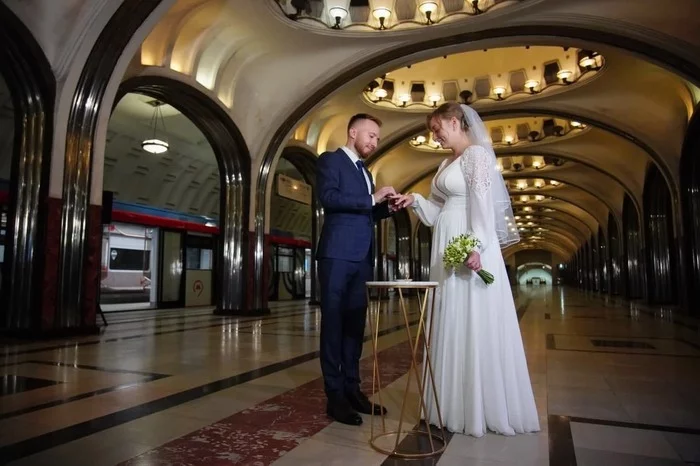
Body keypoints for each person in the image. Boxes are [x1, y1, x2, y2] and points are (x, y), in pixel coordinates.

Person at [391, 103, 540, 437]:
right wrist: (415, 200)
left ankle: (476, 408)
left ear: (454, 121)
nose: (435, 135)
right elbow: (435, 215)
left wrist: (477, 246)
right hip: (445, 244)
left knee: (472, 320)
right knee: (450, 319)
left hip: (469, 242)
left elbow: (483, 208)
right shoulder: (446, 162)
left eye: (436, 128)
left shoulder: (477, 157)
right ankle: (449, 404)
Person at [316, 113, 398, 426]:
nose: (375, 142)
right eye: (371, 135)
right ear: (353, 132)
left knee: (354, 326)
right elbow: (329, 198)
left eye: (377, 137)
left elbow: (365, 213)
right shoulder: (330, 161)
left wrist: (385, 208)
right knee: (334, 326)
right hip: (336, 255)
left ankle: (353, 390)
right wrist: (370, 197)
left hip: (361, 258)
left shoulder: (366, 172)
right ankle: (334, 397)